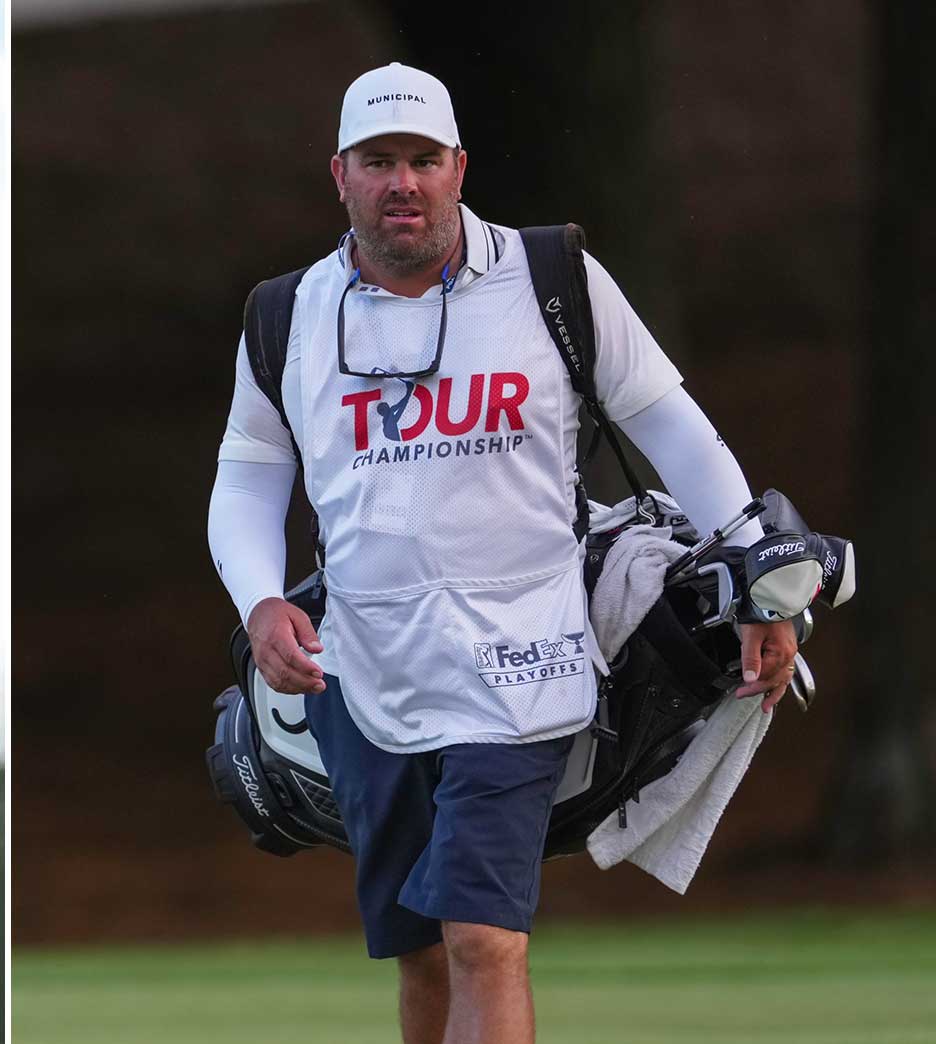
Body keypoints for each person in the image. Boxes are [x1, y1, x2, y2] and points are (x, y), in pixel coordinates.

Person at [206, 63, 798, 1044]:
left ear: (458, 167)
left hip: (522, 655)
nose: (402, 182)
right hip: (362, 669)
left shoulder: (553, 278)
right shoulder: (286, 312)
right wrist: (260, 600)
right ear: (340, 175)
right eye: (378, 161)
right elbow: (248, 475)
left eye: (422, 159)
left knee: (482, 936)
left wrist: (755, 586)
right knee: (421, 950)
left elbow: (677, 432)